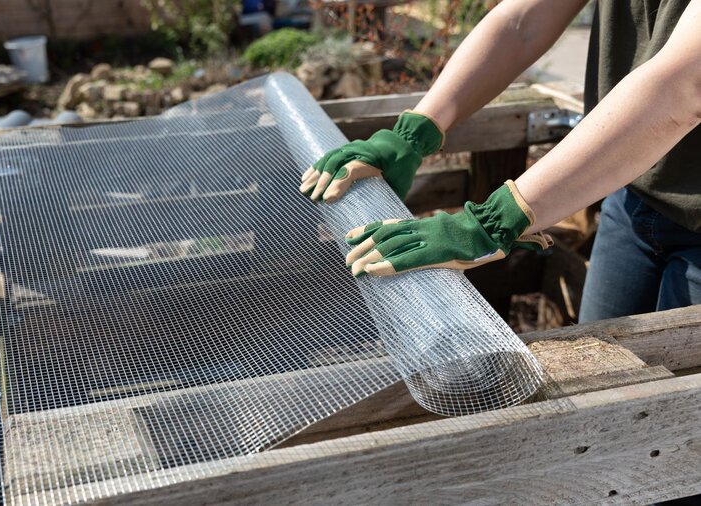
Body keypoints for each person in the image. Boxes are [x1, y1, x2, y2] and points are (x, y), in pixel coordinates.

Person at [300, 0, 700, 323]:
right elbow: (521, 22)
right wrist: (414, 133)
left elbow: (684, 88)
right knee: (605, 378)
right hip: (632, 201)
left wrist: (495, 219)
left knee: (678, 409)